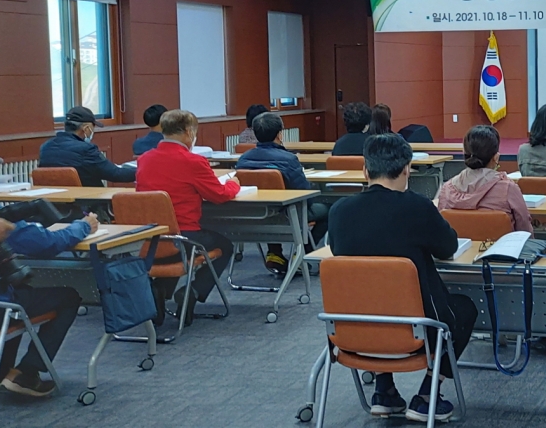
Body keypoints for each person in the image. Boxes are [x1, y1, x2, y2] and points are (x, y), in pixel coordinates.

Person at [329, 134, 477, 423]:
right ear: (407, 169)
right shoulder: (418, 208)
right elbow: (447, 247)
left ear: (365, 170)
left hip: (353, 330)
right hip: (416, 330)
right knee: (464, 310)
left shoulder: (339, 212)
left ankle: (384, 391)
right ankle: (426, 396)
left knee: (375, 297)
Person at [0, 146, 92, 397]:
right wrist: (83, 226)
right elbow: (46, 243)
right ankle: (27, 373)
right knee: (67, 297)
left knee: (19, 291)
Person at [136, 109, 239, 324]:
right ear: (189, 132)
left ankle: (159, 289)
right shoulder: (193, 161)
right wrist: (233, 184)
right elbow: (219, 195)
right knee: (225, 245)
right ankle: (193, 291)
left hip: (150, 237)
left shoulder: (144, 159)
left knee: (175, 250)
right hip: (184, 236)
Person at [236, 112, 330, 274]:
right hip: (288, 216)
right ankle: (301, 254)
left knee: (270, 205)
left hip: (255, 217)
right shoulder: (288, 159)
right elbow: (304, 194)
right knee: (329, 210)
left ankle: (274, 253)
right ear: (280, 134)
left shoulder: (243, 160)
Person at [436, 125, 532, 234]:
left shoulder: (447, 189)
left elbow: (440, 229)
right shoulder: (508, 189)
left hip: (458, 245)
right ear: (496, 158)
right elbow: (525, 228)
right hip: (500, 245)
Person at [39, 106, 136, 187]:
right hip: (89, 201)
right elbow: (115, 174)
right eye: (93, 128)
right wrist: (142, 171)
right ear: (86, 129)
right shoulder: (86, 150)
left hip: (54, 202)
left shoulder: (45, 147)